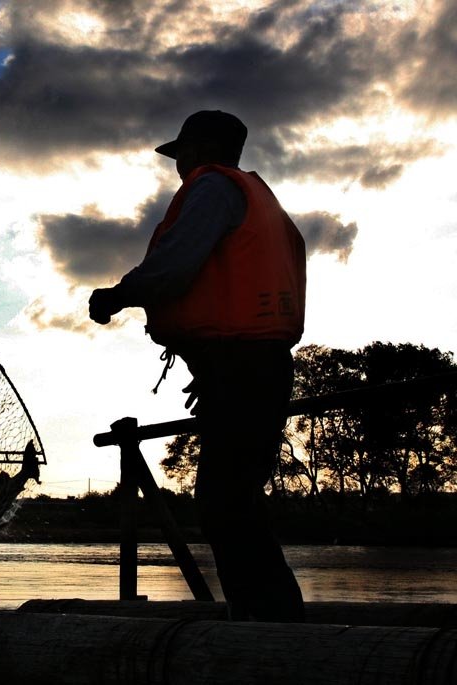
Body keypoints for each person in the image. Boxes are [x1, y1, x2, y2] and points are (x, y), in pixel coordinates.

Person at [88, 111, 307, 622]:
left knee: (226, 505)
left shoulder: (212, 189)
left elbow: (173, 266)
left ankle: (272, 630)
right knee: (236, 503)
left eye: (181, 153)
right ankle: (268, 620)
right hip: (248, 369)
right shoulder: (256, 198)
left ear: (200, 149)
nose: (177, 164)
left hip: (243, 371)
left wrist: (117, 296)